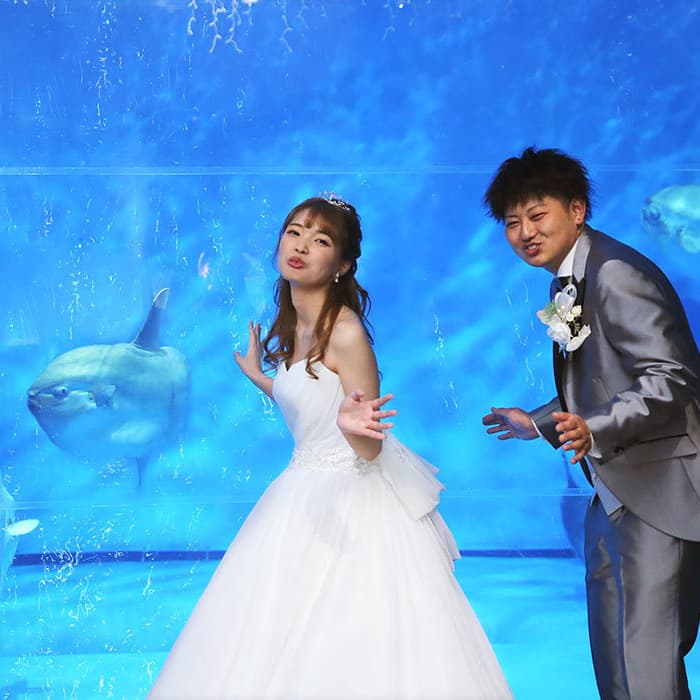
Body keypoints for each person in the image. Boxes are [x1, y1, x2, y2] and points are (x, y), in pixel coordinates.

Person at [148, 195, 513, 699]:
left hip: (351, 499)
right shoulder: (297, 324)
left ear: (342, 265)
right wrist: (264, 379)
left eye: (320, 240)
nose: (300, 246)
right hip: (301, 492)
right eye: (294, 232)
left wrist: (351, 426)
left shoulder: (345, 333)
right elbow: (313, 401)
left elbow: (369, 448)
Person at [481, 147, 700, 700]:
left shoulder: (614, 273)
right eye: (512, 222)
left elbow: (671, 377)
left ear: (577, 210)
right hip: (612, 492)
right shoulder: (568, 279)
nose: (525, 233)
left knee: (647, 662)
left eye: (538, 215)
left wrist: (595, 428)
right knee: (615, 656)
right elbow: (600, 380)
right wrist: (537, 422)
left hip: (660, 489)